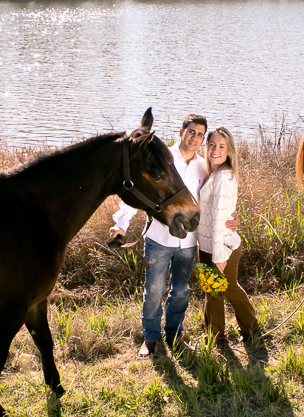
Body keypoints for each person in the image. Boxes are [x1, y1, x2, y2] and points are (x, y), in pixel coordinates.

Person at [109, 114, 236, 356]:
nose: (195, 137)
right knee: (154, 290)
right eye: (191, 131)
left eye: (200, 134)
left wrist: (232, 218)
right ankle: (150, 338)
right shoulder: (162, 157)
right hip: (158, 239)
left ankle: (174, 335)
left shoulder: (203, 166)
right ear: (181, 132)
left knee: (180, 291)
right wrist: (121, 224)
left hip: (188, 242)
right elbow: (138, 190)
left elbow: (215, 199)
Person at [197, 127, 258, 345]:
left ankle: (252, 330)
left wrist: (219, 255)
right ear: (206, 146)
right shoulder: (212, 172)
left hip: (223, 246)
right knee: (211, 289)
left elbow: (219, 218)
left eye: (221, 146)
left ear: (229, 151)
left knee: (228, 287)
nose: (215, 150)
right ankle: (215, 336)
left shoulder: (223, 176)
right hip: (207, 244)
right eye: (212, 144)